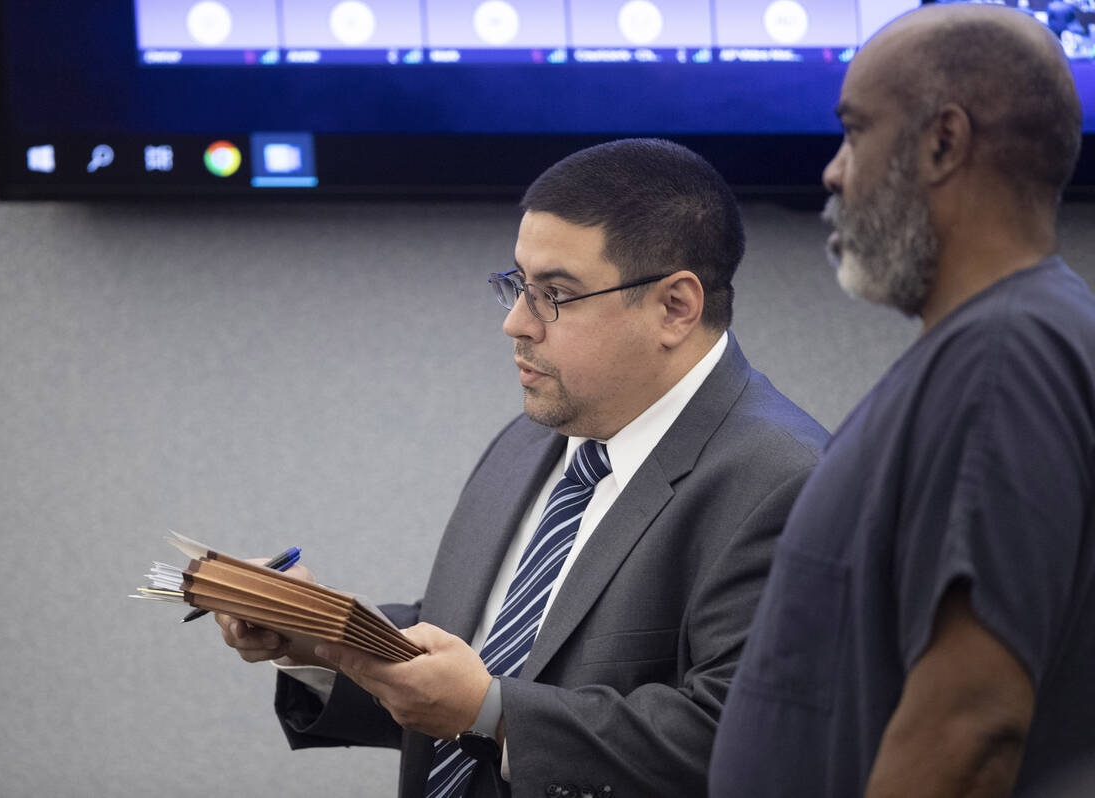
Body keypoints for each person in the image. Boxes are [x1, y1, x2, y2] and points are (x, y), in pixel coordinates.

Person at [216, 138, 827, 797]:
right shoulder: (539, 435)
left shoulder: (790, 484)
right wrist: (322, 640)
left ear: (675, 307)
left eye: (554, 295)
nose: (515, 323)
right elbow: (479, 638)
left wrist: (493, 711)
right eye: (518, 285)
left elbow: (746, 741)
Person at [709, 5, 1093, 797]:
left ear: (942, 142)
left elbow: (971, 722)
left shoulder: (1003, 358)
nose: (834, 171)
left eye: (854, 132)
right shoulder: (989, 347)